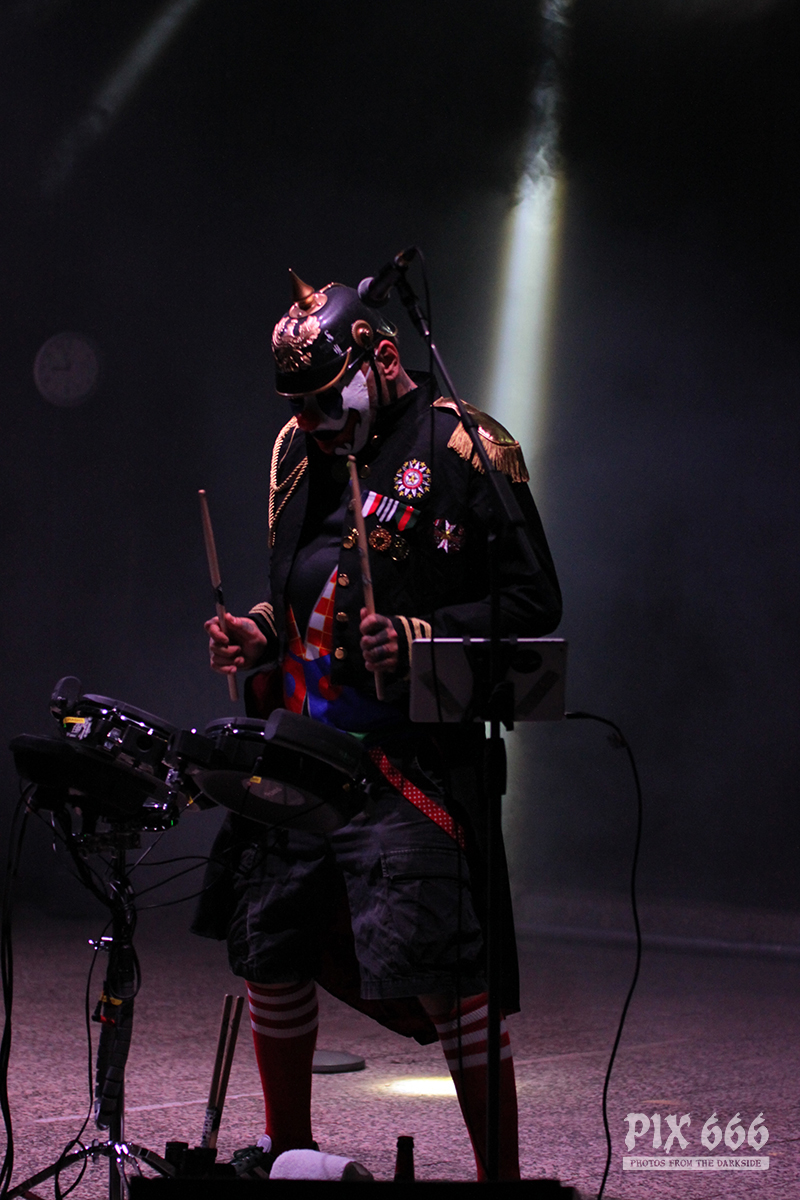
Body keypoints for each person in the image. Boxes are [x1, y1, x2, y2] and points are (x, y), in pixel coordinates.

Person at [195, 270, 562, 1180]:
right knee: (271, 947)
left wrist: (419, 635)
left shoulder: (468, 446)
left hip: (407, 760)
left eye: (326, 401)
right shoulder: (298, 449)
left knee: (446, 973)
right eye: (299, 406)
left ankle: (501, 1183)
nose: (312, 422)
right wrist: (261, 630)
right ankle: (289, 1152)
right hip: (300, 750)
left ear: (384, 358)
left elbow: (533, 606)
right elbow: (303, 583)